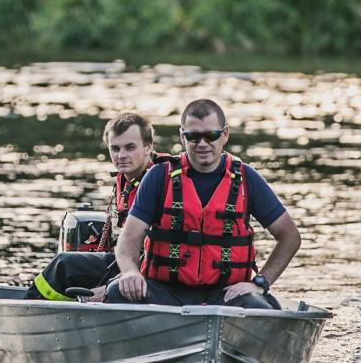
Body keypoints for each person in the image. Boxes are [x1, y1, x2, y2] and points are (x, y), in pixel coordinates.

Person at [106, 99, 301, 309]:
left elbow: (290, 237)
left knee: (261, 307)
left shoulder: (247, 178)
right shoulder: (158, 177)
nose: (202, 144)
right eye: (193, 136)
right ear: (183, 137)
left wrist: (260, 283)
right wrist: (130, 272)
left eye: (211, 135)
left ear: (224, 135)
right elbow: (128, 240)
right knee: (117, 292)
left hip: (227, 295)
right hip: (165, 292)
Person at [24, 112, 174, 301]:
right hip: (128, 260)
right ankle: (30, 305)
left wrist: (108, 287)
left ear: (148, 147)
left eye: (130, 147)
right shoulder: (126, 178)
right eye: (115, 148)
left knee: (68, 268)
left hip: (153, 269)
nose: (121, 156)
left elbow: (160, 252)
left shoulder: (163, 181)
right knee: (65, 263)